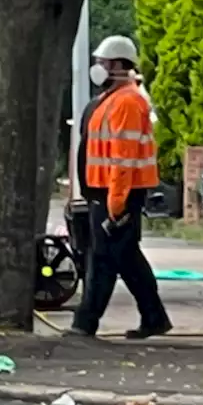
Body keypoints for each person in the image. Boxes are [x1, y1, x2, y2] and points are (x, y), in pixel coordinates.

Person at [68, 35, 172, 339]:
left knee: (104, 257)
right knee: (123, 257)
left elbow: (122, 159)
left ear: (119, 66)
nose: (98, 67)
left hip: (117, 192)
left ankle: (85, 323)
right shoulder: (109, 99)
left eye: (103, 63)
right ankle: (153, 317)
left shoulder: (127, 101)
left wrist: (116, 201)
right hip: (104, 191)